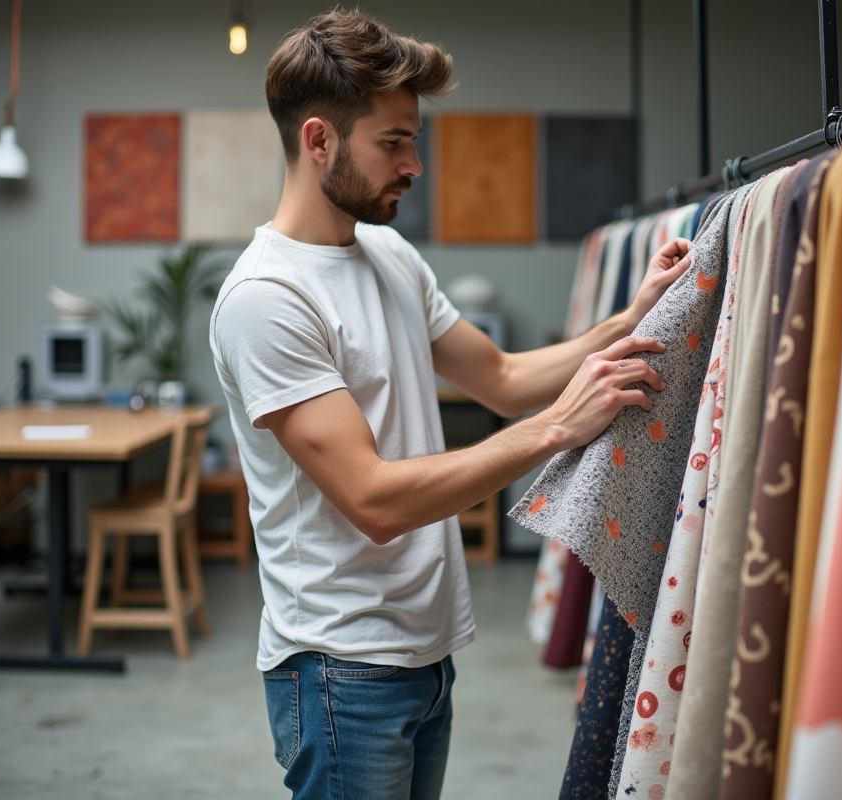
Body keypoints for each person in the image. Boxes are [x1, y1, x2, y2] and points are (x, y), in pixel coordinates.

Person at [209, 9, 691, 800]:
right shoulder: (267, 298)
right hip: (341, 669)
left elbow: (499, 375)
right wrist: (556, 429)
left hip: (425, 652)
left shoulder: (389, 253)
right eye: (393, 142)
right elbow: (373, 499)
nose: (415, 165)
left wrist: (630, 317)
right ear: (319, 140)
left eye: (414, 139)